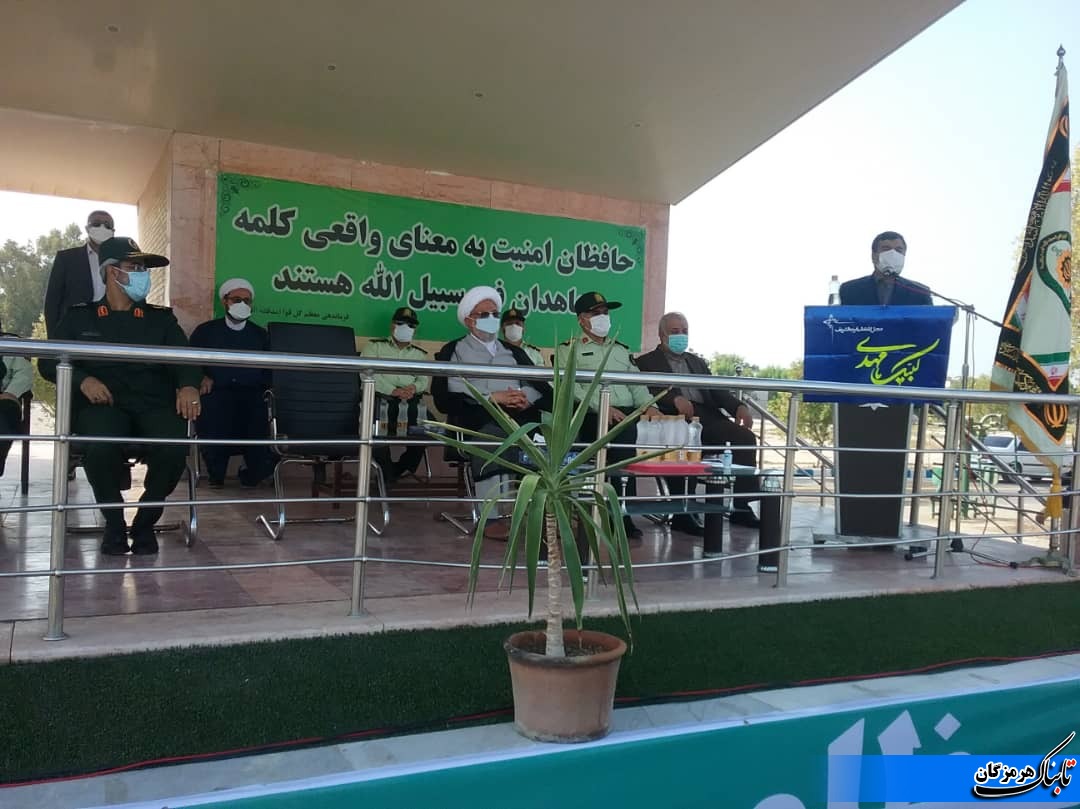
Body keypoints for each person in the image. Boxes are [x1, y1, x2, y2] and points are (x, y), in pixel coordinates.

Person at [45, 237, 202, 556]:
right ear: (112, 272)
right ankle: (114, 524)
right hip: (104, 405)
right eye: (135, 267)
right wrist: (83, 380)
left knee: (174, 447)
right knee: (99, 446)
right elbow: (48, 362)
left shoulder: (160, 319)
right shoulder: (80, 317)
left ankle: (144, 523)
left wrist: (188, 384)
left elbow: (186, 359)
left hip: (152, 404)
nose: (143, 275)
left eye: (144, 269)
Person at [432, 286, 551, 538]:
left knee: (547, 439)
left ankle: (542, 516)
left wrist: (524, 399)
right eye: (484, 314)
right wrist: (492, 398)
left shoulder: (514, 352)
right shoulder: (454, 350)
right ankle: (490, 519)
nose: (491, 319)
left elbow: (541, 387)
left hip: (519, 418)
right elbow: (447, 395)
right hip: (476, 420)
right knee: (491, 437)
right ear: (469, 320)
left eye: (495, 314)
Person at [636, 312, 761, 532]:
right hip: (673, 417)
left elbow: (716, 389)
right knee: (684, 443)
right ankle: (684, 511)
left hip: (706, 417)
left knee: (745, 437)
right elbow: (646, 391)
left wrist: (738, 407)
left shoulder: (696, 362)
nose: (681, 335)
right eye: (675, 331)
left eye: (684, 331)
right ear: (662, 335)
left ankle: (742, 506)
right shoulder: (646, 362)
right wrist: (674, 399)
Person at [555, 291, 660, 539]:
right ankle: (621, 516)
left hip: (626, 414)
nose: (602, 317)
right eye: (595, 313)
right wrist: (602, 407)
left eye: (605, 312)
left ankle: (680, 509)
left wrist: (650, 406)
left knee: (668, 432)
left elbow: (636, 384)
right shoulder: (568, 349)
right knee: (625, 435)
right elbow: (570, 388)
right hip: (591, 415)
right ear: (582, 319)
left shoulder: (620, 350)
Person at [188, 278, 276, 488]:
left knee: (263, 420)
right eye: (237, 299)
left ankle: (251, 473)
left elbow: (270, 372)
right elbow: (190, 363)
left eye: (247, 300)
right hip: (217, 394)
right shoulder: (205, 331)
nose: (242, 304)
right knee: (215, 414)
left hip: (251, 396)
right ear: (225, 301)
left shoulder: (260, 335)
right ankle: (216, 474)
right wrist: (201, 377)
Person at [360, 306, 430, 481]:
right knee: (374, 431)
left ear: (415, 329)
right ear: (392, 325)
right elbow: (366, 373)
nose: (406, 327)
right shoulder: (374, 347)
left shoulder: (419, 354)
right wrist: (393, 390)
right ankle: (385, 474)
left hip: (410, 402)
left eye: (411, 325)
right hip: (381, 400)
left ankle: (398, 469)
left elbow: (423, 380)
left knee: (429, 429)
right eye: (401, 323)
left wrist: (413, 388)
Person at [43, 210, 115, 337]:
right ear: (87, 228)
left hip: (112, 331)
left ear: (113, 231)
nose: (102, 227)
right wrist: (54, 339)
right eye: (96, 223)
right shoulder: (66, 259)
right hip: (75, 333)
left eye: (107, 225)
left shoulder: (120, 261)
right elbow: (52, 302)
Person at [838, 230, 933, 306]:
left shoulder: (920, 292)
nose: (893, 254)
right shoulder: (849, 290)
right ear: (874, 256)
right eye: (886, 249)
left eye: (898, 250)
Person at [0, 322, 31, 477]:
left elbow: (25, 374)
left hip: (5, 399)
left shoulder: (12, 343)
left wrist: (10, 393)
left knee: (3, 420)